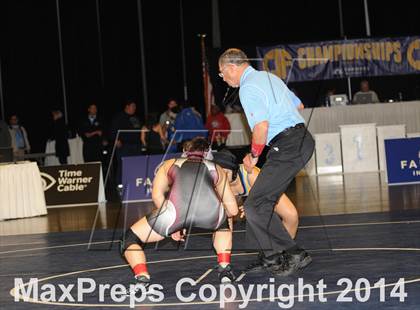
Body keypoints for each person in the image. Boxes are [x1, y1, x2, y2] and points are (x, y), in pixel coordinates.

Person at [218, 48, 315, 276]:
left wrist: (253, 155)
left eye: (222, 73)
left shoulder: (248, 87)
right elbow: (298, 105)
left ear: (232, 67)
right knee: (259, 203)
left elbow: (261, 126)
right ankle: (269, 257)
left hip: (288, 144)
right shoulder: (270, 77)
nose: (223, 78)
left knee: (254, 205)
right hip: (298, 140)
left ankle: (294, 252)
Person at [120, 137, 238, 293]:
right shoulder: (218, 169)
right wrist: (221, 216)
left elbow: (157, 195)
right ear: (208, 153)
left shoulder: (169, 164)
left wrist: (172, 223)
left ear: (185, 152)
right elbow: (234, 210)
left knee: (129, 239)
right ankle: (224, 269)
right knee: (224, 218)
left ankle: (142, 278)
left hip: (175, 212)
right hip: (209, 213)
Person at [213, 150, 299, 239]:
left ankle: (286, 247)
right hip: (252, 194)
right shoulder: (217, 182)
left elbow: (266, 196)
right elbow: (226, 215)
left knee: (291, 216)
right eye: (219, 174)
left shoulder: (250, 174)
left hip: (266, 190)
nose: (223, 177)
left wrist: (251, 204)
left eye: (226, 173)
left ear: (234, 171)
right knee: (224, 216)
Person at [110, 100, 142, 183]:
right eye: (133, 106)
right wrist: (116, 140)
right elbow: (113, 130)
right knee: (123, 165)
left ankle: (134, 183)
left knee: (136, 165)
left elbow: (140, 130)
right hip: (124, 146)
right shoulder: (119, 117)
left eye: (135, 106)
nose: (134, 108)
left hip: (136, 145)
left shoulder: (136, 118)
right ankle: (120, 184)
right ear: (127, 106)